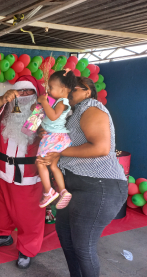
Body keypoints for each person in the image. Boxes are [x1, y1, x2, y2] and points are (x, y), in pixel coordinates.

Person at [37, 77, 128, 277]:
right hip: (74, 187)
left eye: (72, 90)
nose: (67, 93)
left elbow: (101, 148)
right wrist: (49, 132)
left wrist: (60, 152)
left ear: (87, 91)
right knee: (67, 239)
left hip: (100, 185)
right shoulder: (72, 112)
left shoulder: (91, 108)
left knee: (83, 246)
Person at [0, 75, 46, 269]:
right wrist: (1, 99)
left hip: (26, 174)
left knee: (29, 215)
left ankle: (27, 249)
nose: (24, 95)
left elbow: (34, 132)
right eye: (20, 90)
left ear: (35, 94)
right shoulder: (5, 108)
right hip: (0, 169)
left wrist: (42, 118)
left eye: (28, 91)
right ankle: (2, 235)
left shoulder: (40, 112)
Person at [36, 69, 75, 209]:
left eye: (51, 88)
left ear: (64, 89)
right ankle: (63, 190)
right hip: (58, 137)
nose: (49, 90)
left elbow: (53, 116)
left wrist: (43, 102)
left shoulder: (62, 102)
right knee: (53, 165)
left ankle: (49, 192)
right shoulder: (57, 101)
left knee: (40, 162)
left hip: (54, 137)